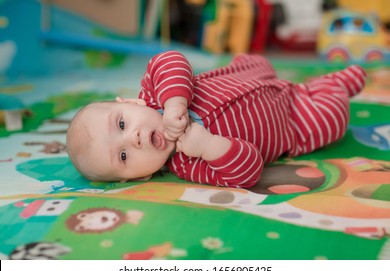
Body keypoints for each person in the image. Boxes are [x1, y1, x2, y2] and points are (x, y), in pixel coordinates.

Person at [66, 51, 366, 188]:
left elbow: (169, 59)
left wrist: (174, 102)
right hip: (294, 120)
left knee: (253, 57)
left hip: (250, 74)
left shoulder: (155, 93)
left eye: (121, 124)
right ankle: (335, 85)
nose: (133, 138)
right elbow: (249, 172)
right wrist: (209, 146)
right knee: (331, 121)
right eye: (123, 155)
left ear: (130, 103)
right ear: (139, 176)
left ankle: (318, 83)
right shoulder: (190, 165)